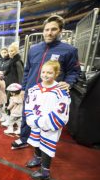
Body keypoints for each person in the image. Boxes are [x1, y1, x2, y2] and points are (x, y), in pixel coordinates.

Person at [11, 15, 81, 149]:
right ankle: (25, 139)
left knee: (46, 120)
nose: (49, 33)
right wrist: (24, 89)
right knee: (28, 115)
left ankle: (42, 148)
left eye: (53, 29)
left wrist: (69, 82)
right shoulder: (33, 49)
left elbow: (74, 71)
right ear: (43, 31)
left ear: (60, 31)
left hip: (51, 94)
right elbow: (27, 71)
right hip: (33, 91)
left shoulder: (69, 50)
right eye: (47, 29)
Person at [25, 60, 70, 180]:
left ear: (56, 74)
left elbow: (62, 113)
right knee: (37, 141)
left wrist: (44, 122)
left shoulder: (61, 91)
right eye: (43, 72)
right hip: (36, 122)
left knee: (46, 146)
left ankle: (45, 171)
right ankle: (37, 158)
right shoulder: (34, 89)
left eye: (49, 72)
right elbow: (29, 105)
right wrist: (32, 119)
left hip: (50, 125)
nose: (45, 75)